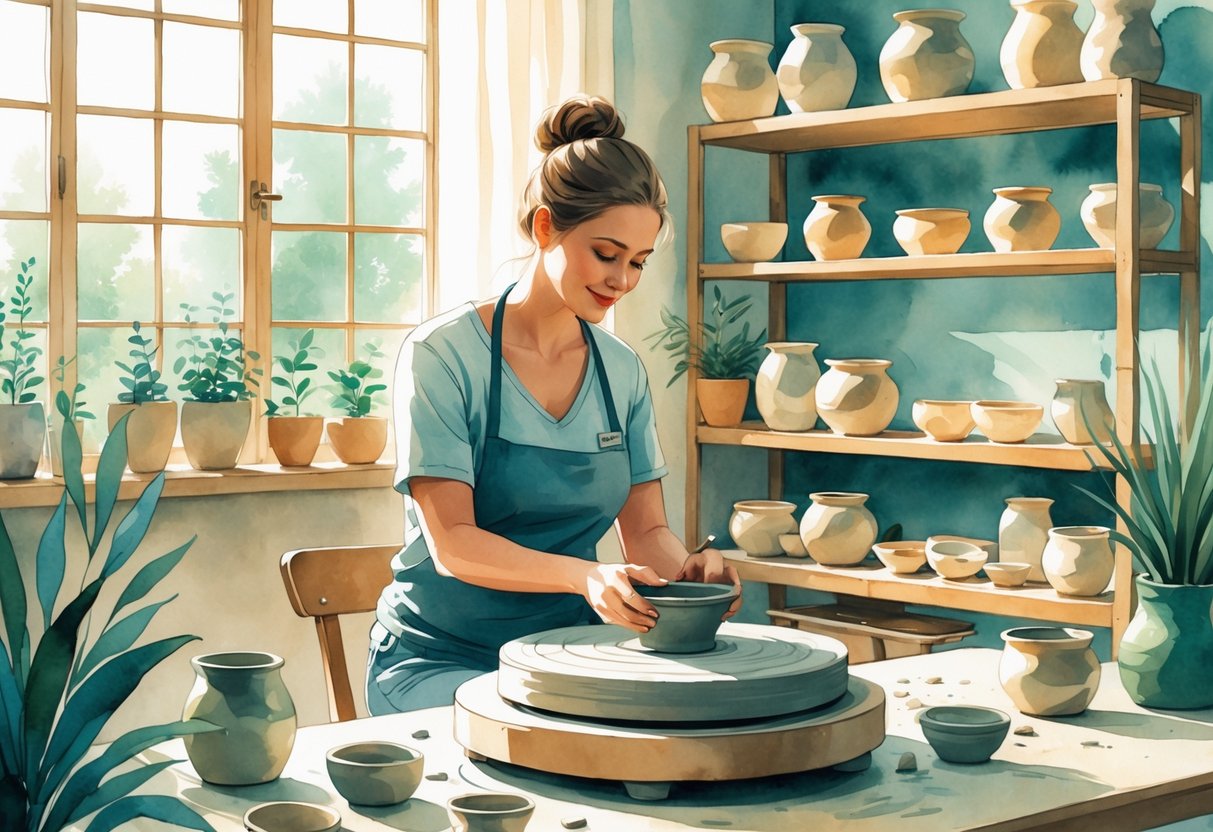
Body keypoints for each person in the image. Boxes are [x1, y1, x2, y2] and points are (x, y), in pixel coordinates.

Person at [367, 94, 742, 714]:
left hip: (569, 655)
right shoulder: (443, 355)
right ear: (546, 228)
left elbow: (644, 531)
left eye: (639, 263)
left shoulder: (621, 372)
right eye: (606, 253)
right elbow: (453, 542)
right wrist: (582, 575)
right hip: (438, 660)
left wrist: (688, 573)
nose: (621, 280)